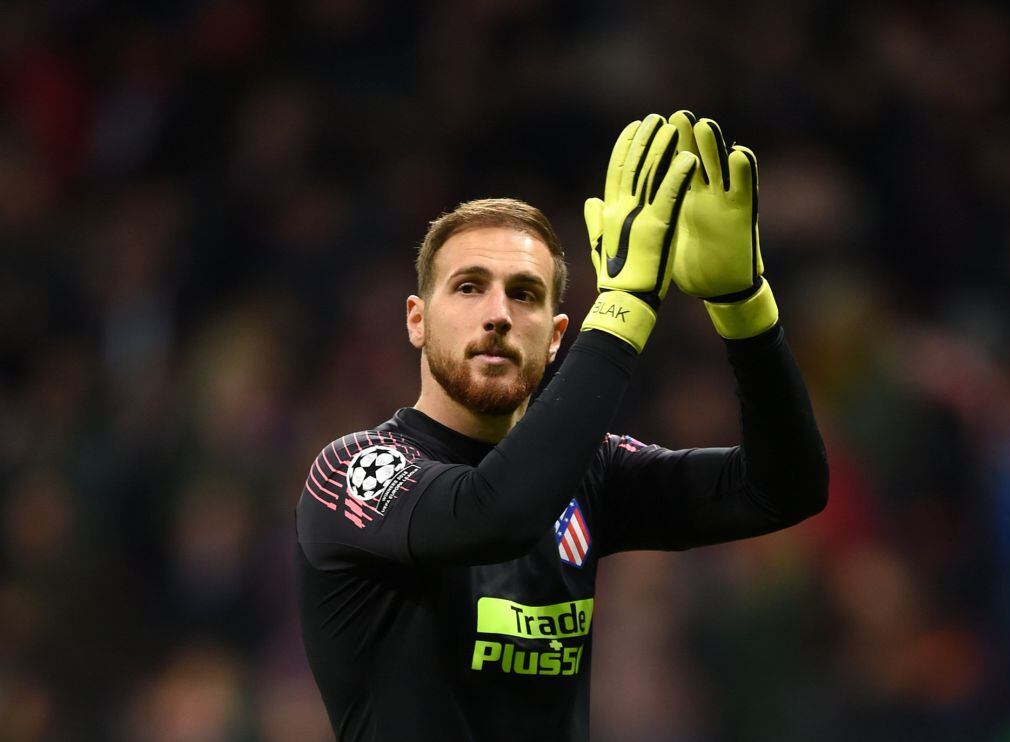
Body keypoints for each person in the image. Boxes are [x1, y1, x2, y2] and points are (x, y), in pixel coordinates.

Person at [294, 111, 828, 741]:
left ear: (555, 339)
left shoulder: (590, 471)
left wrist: (744, 307)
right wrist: (624, 309)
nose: (496, 314)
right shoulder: (355, 471)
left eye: (524, 294)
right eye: (469, 288)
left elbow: (784, 487)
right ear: (417, 320)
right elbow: (494, 515)